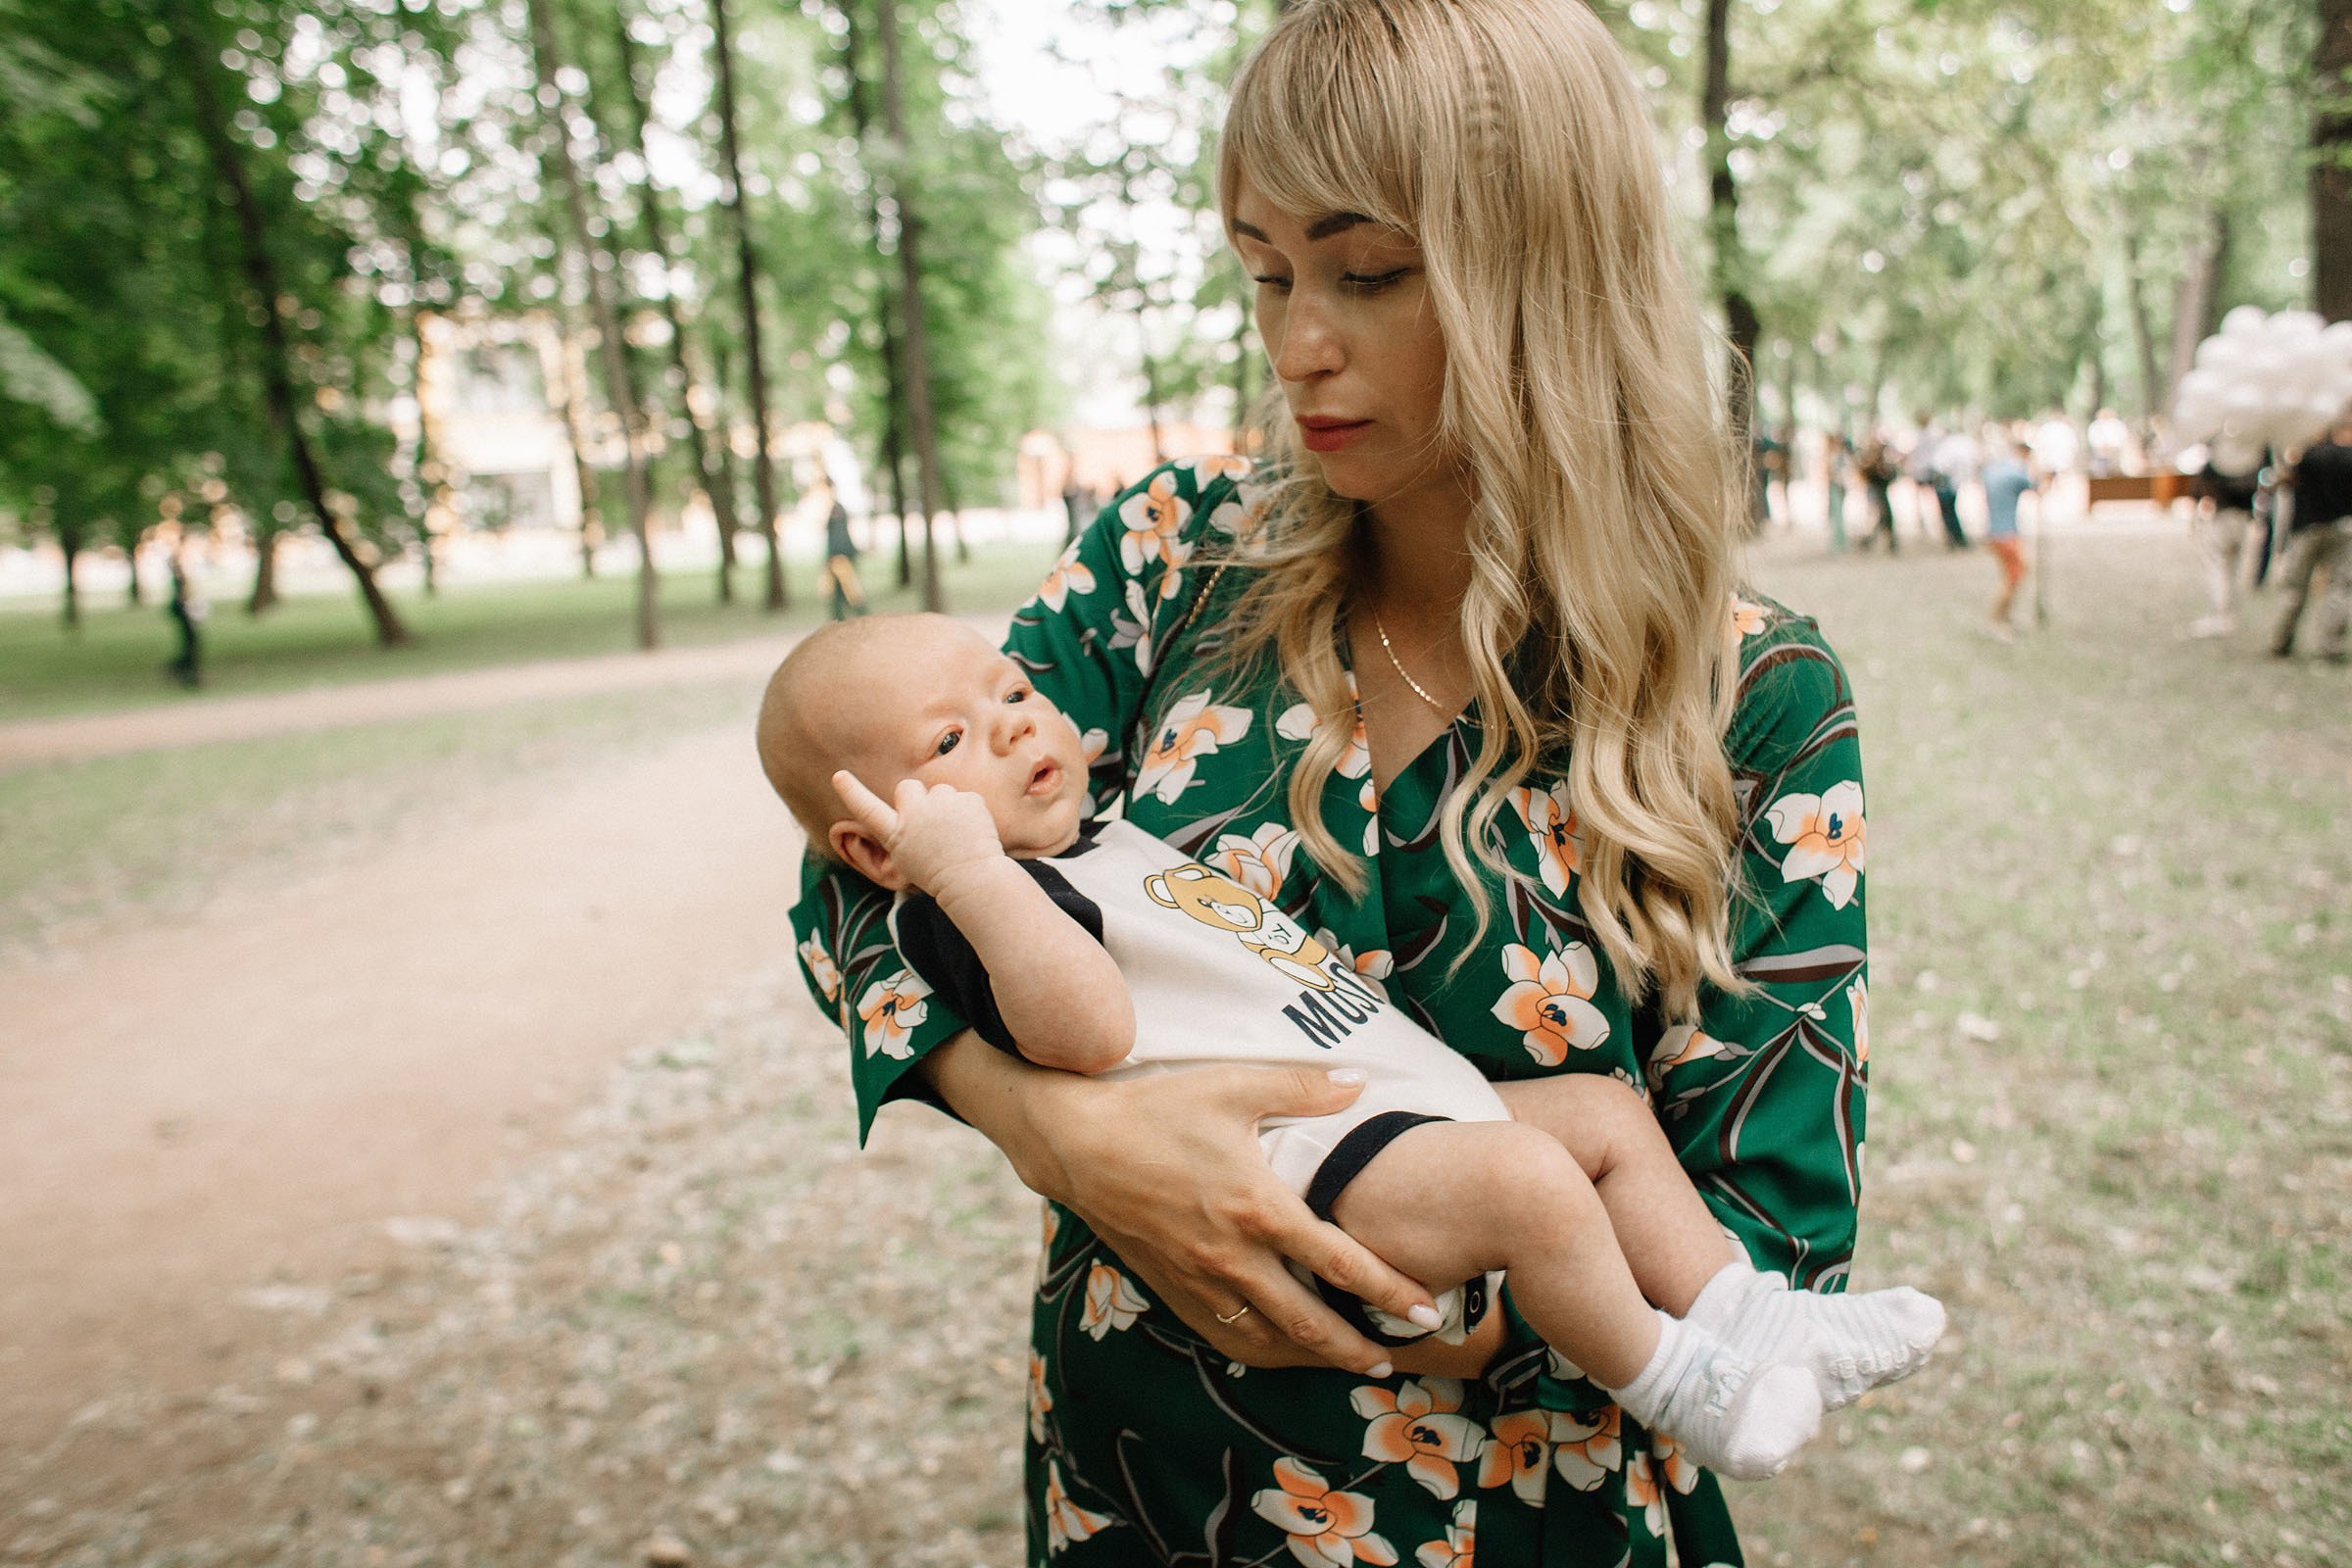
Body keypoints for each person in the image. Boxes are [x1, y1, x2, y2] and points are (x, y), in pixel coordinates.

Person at [791, 1, 1889, 1558]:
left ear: (1546, 268)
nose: (1298, 340)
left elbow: (1775, 1234)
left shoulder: (1755, 695)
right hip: (1149, 1493)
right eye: (1265, 271)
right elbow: (861, 861)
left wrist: (1410, 1272)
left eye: (1367, 272)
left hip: (1529, 1513)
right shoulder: (1176, 562)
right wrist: (1059, 1131)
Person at [760, 613, 1941, 1479]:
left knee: (1599, 1116)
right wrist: (969, 893)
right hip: (1308, 1162)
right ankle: (1683, 1381)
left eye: (1013, 687)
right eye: (953, 737)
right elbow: (1083, 1030)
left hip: (1391, 1106)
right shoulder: (977, 904)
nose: (1017, 718)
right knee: (1534, 1183)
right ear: (878, 846)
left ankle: (1757, 1320)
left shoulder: (1083, 832)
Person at [2271, 411, 2352, 662]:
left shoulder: (2309, 457)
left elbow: (2284, 481)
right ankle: (2331, 646)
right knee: (2339, 589)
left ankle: (2282, 640)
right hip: (2344, 529)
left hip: (2308, 529)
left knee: (2295, 588)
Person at [2185, 455, 2264, 639]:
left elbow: (2204, 481)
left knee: (2219, 568)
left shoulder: (2224, 455)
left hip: (2225, 515)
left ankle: (2221, 615)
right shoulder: (2252, 456)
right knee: (2231, 569)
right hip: (2243, 517)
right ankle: (2227, 615)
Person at [1980, 433, 2034, 642]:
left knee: (2013, 575)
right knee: (2013, 578)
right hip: (2006, 534)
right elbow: (2036, 486)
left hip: (1995, 531)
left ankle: (2005, 617)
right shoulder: (2016, 472)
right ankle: (1994, 621)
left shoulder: (1994, 469)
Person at [820, 486, 866, 620]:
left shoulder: (836, 510)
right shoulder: (832, 510)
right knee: (839, 592)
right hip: (837, 558)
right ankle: (841, 617)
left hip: (841, 558)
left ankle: (858, 615)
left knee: (851, 591)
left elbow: (840, 537)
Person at [165, 545, 206, 688]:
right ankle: (185, 672)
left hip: (182, 610)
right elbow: (183, 596)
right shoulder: (180, 578)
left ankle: (184, 670)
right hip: (183, 611)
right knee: (191, 643)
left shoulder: (179, 577)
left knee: (191, 643)